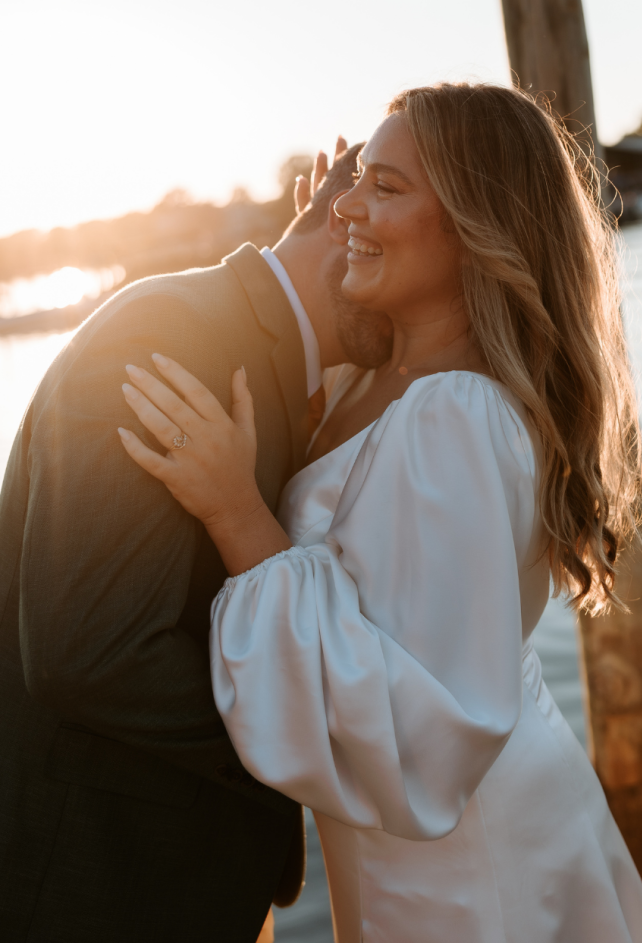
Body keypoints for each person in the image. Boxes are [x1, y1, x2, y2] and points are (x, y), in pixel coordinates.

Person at [119, 83, 642, 942]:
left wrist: (236, 514)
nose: (346, 206)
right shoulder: (377, 382)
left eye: (385, 187)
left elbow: (421, 732)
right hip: (411, 840)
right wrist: (320, 257)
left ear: (472, 223)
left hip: (468, 859)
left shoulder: (456, 414)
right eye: (352, 182)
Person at [0, 141, 391, 943]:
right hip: (95, 888)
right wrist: (302, 738)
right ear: (346, 224)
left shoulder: (293, 361)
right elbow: (90, 649)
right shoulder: (171, 337)